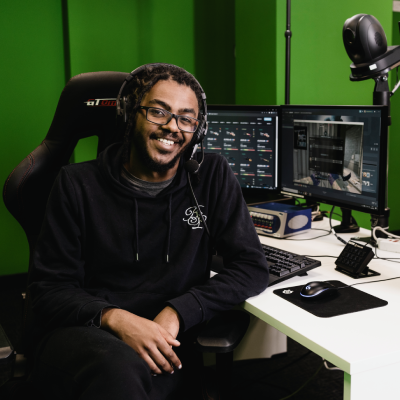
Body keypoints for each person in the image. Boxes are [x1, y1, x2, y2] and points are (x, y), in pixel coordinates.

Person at [28, 64, 269, 399]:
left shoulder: (211, 177)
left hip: (163, 339)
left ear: (197, 131)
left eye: (186, 118)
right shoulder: (76, 184)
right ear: (130, 115)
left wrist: (177, 312)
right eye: (158, 112)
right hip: (87, 333)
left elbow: (251, 266)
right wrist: (116, 318)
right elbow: (49, 289)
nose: (172, 127)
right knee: (118, 373)